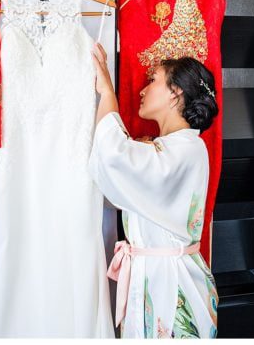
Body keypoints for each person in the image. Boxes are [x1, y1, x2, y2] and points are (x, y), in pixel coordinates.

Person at [91, 46, 219, 338]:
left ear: (175, 92)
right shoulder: (169, 149)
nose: (142, 90)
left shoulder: (188, 148)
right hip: (149, 274)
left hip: (172, 281)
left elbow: (115, 156)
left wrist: (108, 95)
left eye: (154, 80)